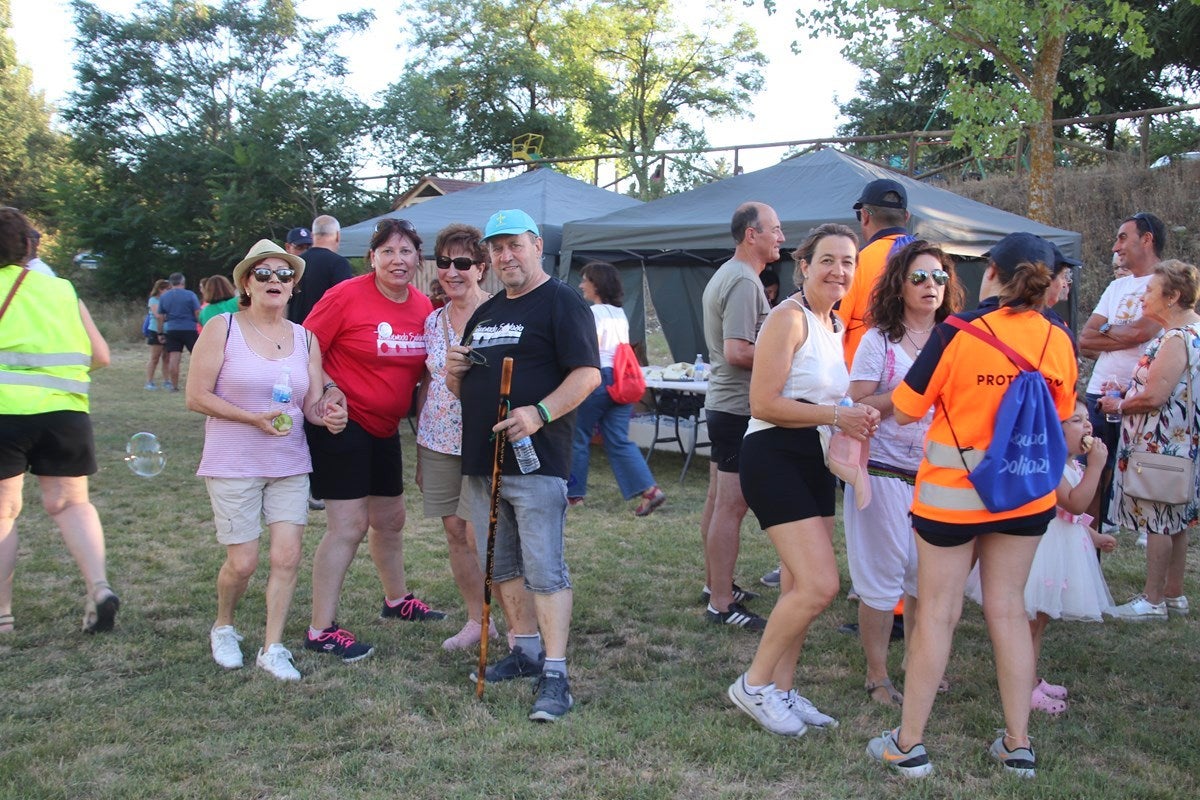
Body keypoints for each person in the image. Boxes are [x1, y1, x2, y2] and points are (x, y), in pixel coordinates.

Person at [868, 232, 1077, 779]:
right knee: (1008, 611)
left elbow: (909, 409)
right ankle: (1017, 744)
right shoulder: (1059, 336)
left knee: (937, 613)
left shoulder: (957, 332)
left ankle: (908, 744)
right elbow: (1064, 410)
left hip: (950, 498)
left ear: (992, 273)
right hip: (1026, 495)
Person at [446, 208, 600, 723]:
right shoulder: (486, 313)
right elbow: (464, 389)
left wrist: (540, 412)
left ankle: (555, 671)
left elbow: (587, 375)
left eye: (514, 245)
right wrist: (453, 373)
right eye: (496, 248)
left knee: (545, 569)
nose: (505, 255)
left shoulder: (562, 301)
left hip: (537, 463)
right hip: (483, 462)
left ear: (537, 246)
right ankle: (526, 650)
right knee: (501, 564)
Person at [727, 223, 879, 736]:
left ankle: (781, 690)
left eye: (849, 262)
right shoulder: (786, 319)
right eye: (829, 260)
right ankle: (752, 684)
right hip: (773, 453)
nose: (840, 271)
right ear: (805, 265)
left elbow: (822, 398)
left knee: (796, 583)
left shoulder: (833, 325)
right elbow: (763, 402)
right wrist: (838, 417)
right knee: (819, 585)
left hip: (813, 457)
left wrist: (852, 414)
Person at [186, 239, 347, 680]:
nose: (274, 281)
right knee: (243, 562)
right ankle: (223, 626)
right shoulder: (223, 328)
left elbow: (311, 406)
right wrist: (251, 418)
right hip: (233, 459)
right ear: (246, 282)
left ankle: (272, 646)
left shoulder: (306, 338)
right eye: (264, 273)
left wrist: (330, 414)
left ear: (294, 286)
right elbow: (195, 396)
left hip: (289, 462)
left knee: (288, 556)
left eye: (284, 275)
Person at [301, 218, 441, 664]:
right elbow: (305, 345)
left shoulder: (423, 308)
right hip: (343, 422)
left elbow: (425, 376)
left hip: (385, 427)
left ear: (417, 259)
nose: (397, 260)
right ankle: (320, 628)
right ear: (373, 258)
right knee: (349, 526)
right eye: (388, 252)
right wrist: (326, 390)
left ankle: (396, 600)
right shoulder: (345, 295)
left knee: (391, 519)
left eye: (406, 252)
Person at [845, 240, 964, 707]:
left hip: (938, 474)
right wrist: (909, 399)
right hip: (883, 468)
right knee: (881, 578)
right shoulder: (880, 340)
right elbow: (855, 406)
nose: (931, 285)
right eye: (919, 277)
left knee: (926, 579)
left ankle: (921, 663)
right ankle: (877, 676)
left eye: (939, 277)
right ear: (899, 284)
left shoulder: (955, 338)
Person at [0, 206, 119, 635]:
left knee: (3, 514)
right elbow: (100, 355)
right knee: (72, 503)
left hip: (4, 412)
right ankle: (100, 588)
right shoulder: (61, 290)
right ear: (29, 245)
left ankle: (3, 615)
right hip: (65, 413)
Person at [965, 400, 1116, 715]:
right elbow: (1075, 503)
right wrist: (1099, 468)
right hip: (1041, 553)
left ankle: (1030, 677)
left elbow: (1070, 517)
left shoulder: (1072, 465)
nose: (1087, 426)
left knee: (1041, 620)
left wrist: (1094, 536)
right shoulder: (1051, 465)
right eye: (1076, 420)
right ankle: (1025, 687)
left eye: (1088, 419)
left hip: (1061, 549)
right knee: (1029, 623)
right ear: (1054, 432)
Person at [1098, 259, 1200, 621]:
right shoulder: (1194, 332)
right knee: (1176, 520)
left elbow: (1156, 396)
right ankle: (1174, 595)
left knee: (1159, 519)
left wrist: (1119, 402)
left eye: (1151, 291)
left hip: (1163, 443)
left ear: (1172, 297)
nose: (1143, 297)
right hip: (1183, 444)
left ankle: (1152, 600)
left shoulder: (1175, 338)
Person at [415, 223, 498, 651]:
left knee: (482, 533)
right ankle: (476, 620)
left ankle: (517, 616)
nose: (452, 271)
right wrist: (418, 451)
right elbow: (427, 385)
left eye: (463, 262)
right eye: (445, 262)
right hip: (438, 440)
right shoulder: (431, 321)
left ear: (481, 268)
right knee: (454, 531)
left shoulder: (501, 314)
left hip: (484, 441)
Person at [699, 202, 782, 630]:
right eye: (775, 230)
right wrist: (787, 358)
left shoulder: (729, 275)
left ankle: (718, 583)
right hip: (736, 407)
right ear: (752, 235)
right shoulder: (745, 282)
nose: (781, 238)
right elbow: (737, 351)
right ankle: (721, 603)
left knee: (718, 502)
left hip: (723, 404)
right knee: (731, 506)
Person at [1078, 213, 1166, 535]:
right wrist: (1122, 332)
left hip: (1140, 393)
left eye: (1122, 238)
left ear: (1147, 239)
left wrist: (1108, 330)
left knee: (1141, 473)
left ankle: (1143, 535)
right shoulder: (1117, 286)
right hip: (1100, 392)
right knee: (1093, 470)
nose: (1116, 247)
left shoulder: (1164, 283)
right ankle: (1090, 544)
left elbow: (1142, 332)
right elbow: (1085, 338)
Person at [569, 261, 666, 516]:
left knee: (577, 436)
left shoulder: (592, 314)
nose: (581, 285)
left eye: (585, 280)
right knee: (619, 440)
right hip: (622, 382)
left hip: (598, 378)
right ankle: (650, 490)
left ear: (596, 284)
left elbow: (586, 349)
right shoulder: (619, 314)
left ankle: (574, 495)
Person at [289, 216, 354, 512]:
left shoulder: (297, 265)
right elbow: (349, 309)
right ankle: (316, 487)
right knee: (321, 416)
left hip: (290, 346)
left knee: (294, 415)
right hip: (321, 353)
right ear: (337, 236)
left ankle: (297, 481)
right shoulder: (337, 265)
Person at [837, 178, 912, 366]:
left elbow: (833, 329)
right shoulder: (935, 262)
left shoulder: (855, 263)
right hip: (920, 383)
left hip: (863, 384)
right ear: (907, 217)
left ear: (865, 216)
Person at [288, 215, 353, 325]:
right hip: (324, 334)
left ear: (312, 236)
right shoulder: (339, 264)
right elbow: (346, 304)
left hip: (295, 334)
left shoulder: (296, 263)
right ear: (338, 236)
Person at [156, 272, 201, 392]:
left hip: (172, 329)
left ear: (170, 283)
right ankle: (199, 385)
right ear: (183, 282)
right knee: (198, 357)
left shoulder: (164, 297)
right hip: (190, 329)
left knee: (174, 358)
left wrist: (160, 333)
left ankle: (174, 386)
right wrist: (201, 325)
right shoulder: (190, 295)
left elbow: (160, 316)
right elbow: (197, 312)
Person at [144, 278, 170, 390]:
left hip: (169, 331)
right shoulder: (153, 300)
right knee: (155, 357)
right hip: (155, 330)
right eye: (167, 289)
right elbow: (158, 315)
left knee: (167, 357)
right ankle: (149, 381)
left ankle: (166, 380)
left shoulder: (169, 300)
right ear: (160, 289)